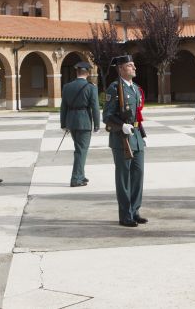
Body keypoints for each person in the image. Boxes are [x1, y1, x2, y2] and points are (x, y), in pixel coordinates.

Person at [103, 55, 147, 227]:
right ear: (121, 68)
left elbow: (137, 115)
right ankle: (125, 214)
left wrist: (142, 134)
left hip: (135, 137)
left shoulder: (135, 88)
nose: (134, 68)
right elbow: (107, 116)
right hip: (121, 139)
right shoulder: (115, 88)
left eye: (134, 65)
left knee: (138, 175)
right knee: (123, 177)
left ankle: (135, 211)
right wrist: (121, 126)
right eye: (130, 65)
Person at [60, 61, 101, 187]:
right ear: (87, 73)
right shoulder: (91, 87)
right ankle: (76, 178)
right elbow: (95, 107)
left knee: (79, 149)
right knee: (81, 150)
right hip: (84, 122)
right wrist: (97, 125)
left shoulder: (67, 86)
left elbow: (63, 107)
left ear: (77, 72)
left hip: (71, 121)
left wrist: (63, 124)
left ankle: (81, 175)